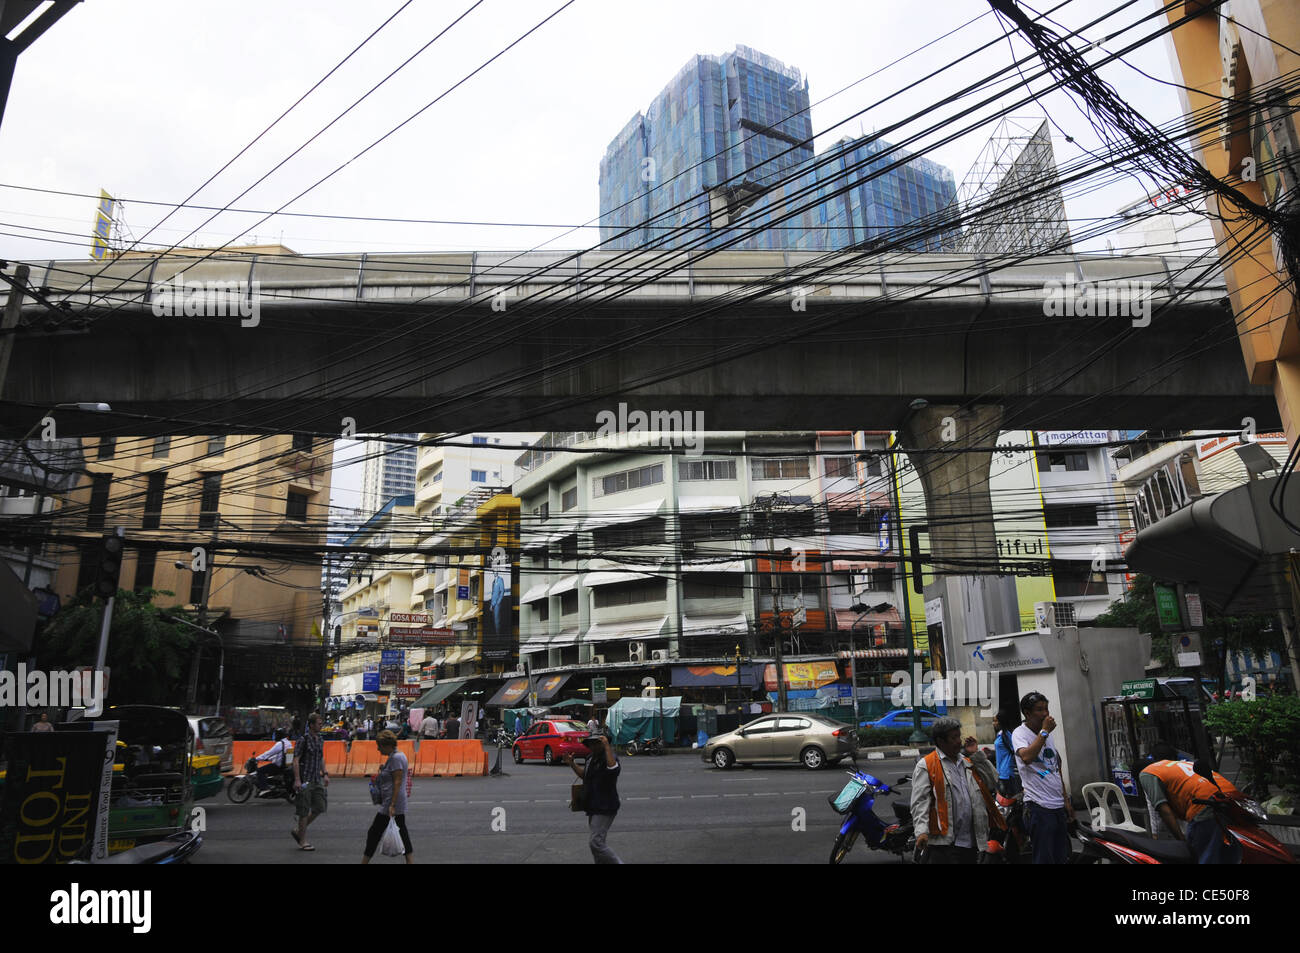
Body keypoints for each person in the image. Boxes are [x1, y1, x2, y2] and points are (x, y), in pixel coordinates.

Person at [909, 716, 1002, 864]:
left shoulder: (967, 762)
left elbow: (992, 781)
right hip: (945, 843)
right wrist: (921, 832)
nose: (959, 741)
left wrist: (976, 754)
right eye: (953, 738)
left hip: (970, 842)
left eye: (959, 736)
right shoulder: (926, 765)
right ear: (940, 741)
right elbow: (920, 803)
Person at [1139, 742, 1244, 863]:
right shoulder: (1185, 763)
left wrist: (1181, 840)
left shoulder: (1149, 772)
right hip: (1232, 799)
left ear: (1153, 759)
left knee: (1201, 857)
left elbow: (1164, 810)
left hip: (1206, 805)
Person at [1012, 691, 1075, 864]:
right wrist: (1045, 731)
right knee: (1044, 858)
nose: (1045, 713)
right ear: (1027, 713)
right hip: (1039, 806)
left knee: (1061, 856)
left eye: (1046, 709)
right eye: (1039, 710)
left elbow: (1055, 767)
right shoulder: (1020, 733)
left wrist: (1066, 801)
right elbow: (1026, 757)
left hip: (1057, 805)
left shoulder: (1046, 734)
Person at [564, 732, 622, 864]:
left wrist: (607, 747)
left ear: (603, 744)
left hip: (606, 805)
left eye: (596, 743)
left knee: (595, 843)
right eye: (591, 743)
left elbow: (613, 770)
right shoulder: (591, 757)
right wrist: (572, 763)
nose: (593, 746)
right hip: (592, 804)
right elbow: (585, 775)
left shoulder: (609, 756)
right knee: (598, 843)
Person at [362, 730, 413, 864]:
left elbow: (397, 781)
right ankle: (410, 861)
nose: (378, 749)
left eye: (379, 746)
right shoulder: (395, 757)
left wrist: (392, 805)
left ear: (387, 745)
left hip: (392, 803)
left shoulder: (396, 758)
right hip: (393, 802)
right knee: (402, 832)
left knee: (374, 833)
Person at [292, 712, 329, 851]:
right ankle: (302, 840)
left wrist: (325, 773)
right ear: (311, 725)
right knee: (303, 810)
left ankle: (298, 830)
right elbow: (296, 760)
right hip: (305, 779)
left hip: (316, 778)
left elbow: (321, 757)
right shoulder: (303, 740)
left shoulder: (320, 739)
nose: (321, 726)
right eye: (319, 724)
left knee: (320, 807)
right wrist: (297, 779)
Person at [992, 709, 1022, 797]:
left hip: (1007, 773)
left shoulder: (1007, 734)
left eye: (995, 721)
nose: (994, 723)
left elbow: (1016, 750)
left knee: (1009, 799)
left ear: (1001, 721)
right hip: (1000, 772)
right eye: (993, 721)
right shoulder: (1000, 734)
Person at [253, 730, 293, 794]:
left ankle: (264, 788)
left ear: (279, 735)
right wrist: (269, 759)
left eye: (276, 735)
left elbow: (269, 753)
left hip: (278, 766)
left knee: (260, 770)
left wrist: (257, 759)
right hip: (285, 766)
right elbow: (280, 755)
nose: (275, 737)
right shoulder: (288, 743)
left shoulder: (280, 744)